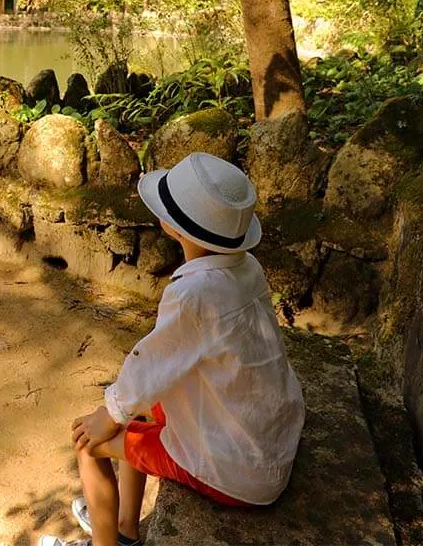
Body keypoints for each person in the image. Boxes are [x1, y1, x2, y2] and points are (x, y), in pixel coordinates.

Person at [39, 152, 305, 546]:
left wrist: (109, 413)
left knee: (89, 443)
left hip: (234, 471)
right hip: (266, 441)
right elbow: (156, 369)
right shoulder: (246, 266)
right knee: (140, 409)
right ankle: (126, 528)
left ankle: (107, 543)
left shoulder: (194, 292)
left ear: (178, 230)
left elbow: (152, 363)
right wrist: (120, 408)